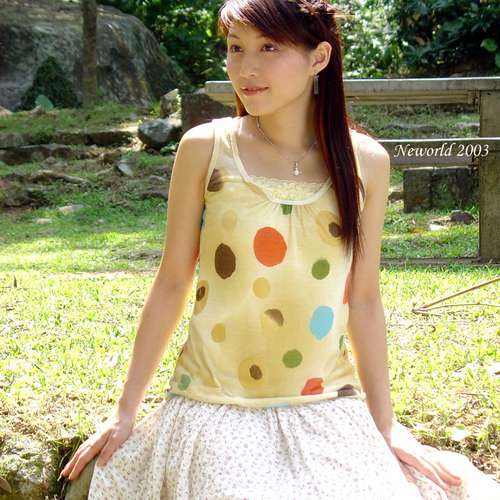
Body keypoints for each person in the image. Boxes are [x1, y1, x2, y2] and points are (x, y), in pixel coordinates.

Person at [58, 1, 500, 498]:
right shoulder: (206, 148)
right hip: (217, 405)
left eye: (268, 48)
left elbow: (363, 300)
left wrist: (387, 425)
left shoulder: (367, 162)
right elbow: (172, 281)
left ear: (319, 58)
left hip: (328, 406)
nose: (246, 68)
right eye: (235, 48)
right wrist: (125, 411)